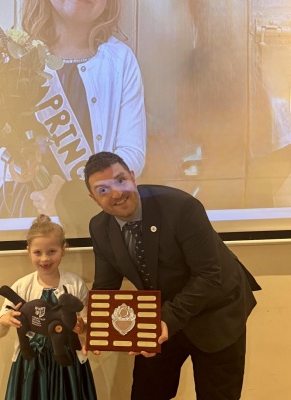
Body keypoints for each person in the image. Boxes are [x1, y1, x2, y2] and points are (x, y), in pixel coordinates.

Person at [83, 151, 261, 400]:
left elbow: (209, 275)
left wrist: (165, 318)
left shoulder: (181, 207)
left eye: (120, 180)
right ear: (93, 198)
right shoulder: (99, 227)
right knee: (146, 393)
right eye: (103, 190)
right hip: (162, 314)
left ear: (133, 177)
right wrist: (94, 325)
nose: (116, 194)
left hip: (216, 311)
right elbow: (106, 285)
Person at [0, 0, 147, 236]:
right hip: (23, 208)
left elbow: (133, 154)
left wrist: (73, 195)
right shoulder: (14, 56)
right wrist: (16, 165)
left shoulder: (120, 60)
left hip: (92, 211)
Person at [0, 214, 97, 400]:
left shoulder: (75, 284)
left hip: (68, 364)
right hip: (31, 365)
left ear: (63, 249)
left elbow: (89, 325)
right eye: (38, 252)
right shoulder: (21, 287)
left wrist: (83, 327)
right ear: (28, 251)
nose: (45, 259)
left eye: (52, 251)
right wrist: (4, 319)